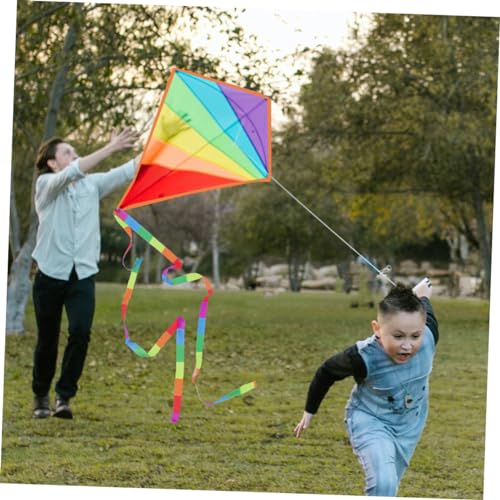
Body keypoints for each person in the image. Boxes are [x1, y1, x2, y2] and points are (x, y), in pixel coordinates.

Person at [31, 127, 140, 419]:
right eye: (67, 152)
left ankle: (63, 397)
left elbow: (130, 170)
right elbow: (74, 172)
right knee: (48, 338)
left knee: (80, 332)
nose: (74, 154)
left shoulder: (92, 185)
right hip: (49, 275)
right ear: (53, 162)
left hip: (82, 275)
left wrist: (165, 140)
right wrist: (111, 146)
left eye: (74, 151)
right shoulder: (46, 184)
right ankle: (40, 395)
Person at [294, 278, 438, 497]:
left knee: (389, 487)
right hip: (370, 420)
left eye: (415, 336)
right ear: (377, 329)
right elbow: (326, 372)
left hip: (409, 426)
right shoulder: (362, 357)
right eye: (398, 336)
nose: (407, 345)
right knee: (384, 483)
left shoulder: (429, 334)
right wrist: (309, 412)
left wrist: (421, 293)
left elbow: (425, 306)